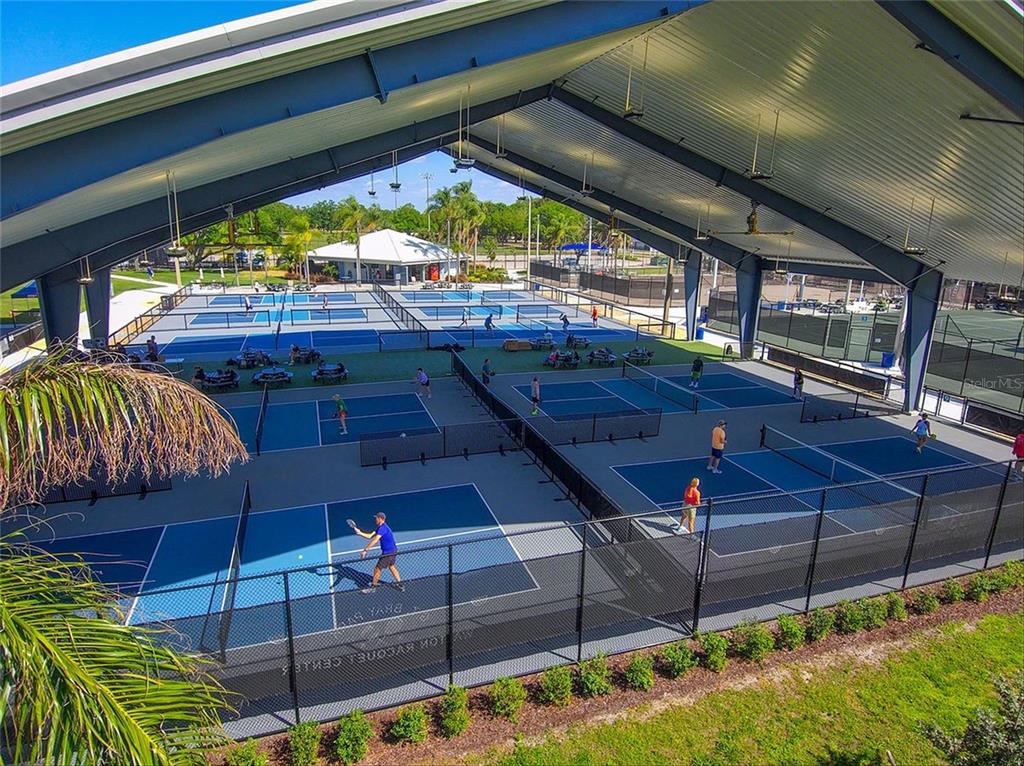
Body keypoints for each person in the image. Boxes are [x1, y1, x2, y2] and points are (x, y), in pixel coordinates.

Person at [354, 512, 403, 593]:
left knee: (378, 569)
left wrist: (365, 550)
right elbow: (370, 536)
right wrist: (360, 533)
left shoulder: (382, 528)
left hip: (388, 553)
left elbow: (375, 540)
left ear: (381, 519)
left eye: (376, 518)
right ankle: (400, 584)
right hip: (393, 550)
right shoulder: (380, 527)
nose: (375, 519)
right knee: (391, 566)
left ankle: (372, 587)